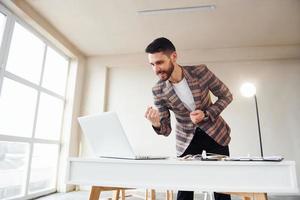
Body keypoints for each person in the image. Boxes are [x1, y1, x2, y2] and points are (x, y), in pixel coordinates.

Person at [144, 37, 233, 200]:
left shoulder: (201, 72)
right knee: (185, 189)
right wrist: (157, 124)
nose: (156, 69)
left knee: (221, 187)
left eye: (160, 62)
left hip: (215, 133)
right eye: (152, 65)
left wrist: (206, 114)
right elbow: (166, 130)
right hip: (186, 139)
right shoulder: (158, 90)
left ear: (174, 57)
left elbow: (226, 96)